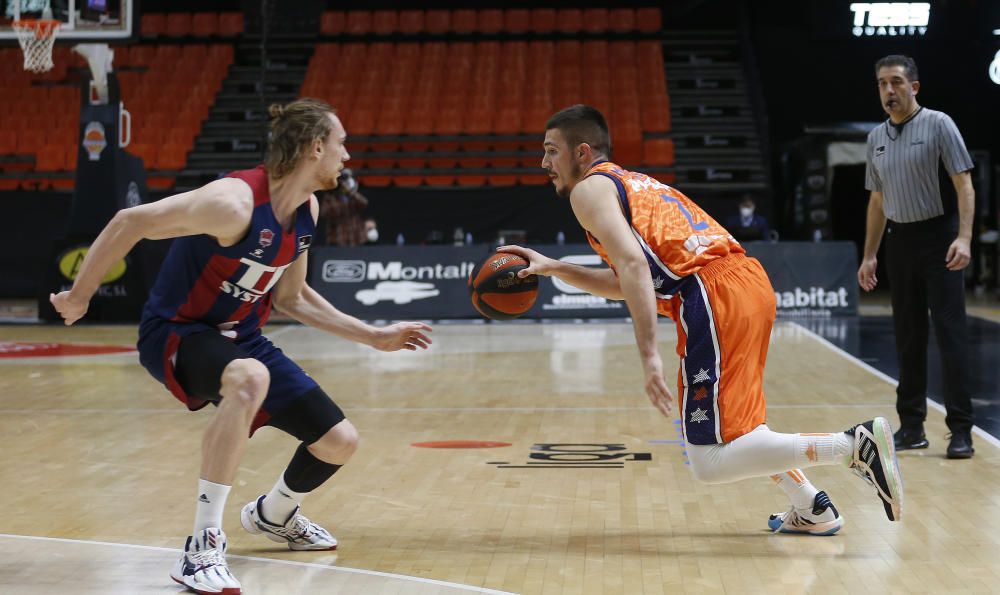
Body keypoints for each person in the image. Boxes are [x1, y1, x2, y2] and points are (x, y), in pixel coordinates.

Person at [49, 98, 433, 594]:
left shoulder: (306, 210)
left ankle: (273, 515)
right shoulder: (231, 203)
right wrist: (80, 295)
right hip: (177, 332)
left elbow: (293, 298)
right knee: (250, 377)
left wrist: (373, 335)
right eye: (341, 144)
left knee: (339, 442)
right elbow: (130, 221)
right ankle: (202, 546)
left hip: (243, 337)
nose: (347, 156)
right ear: (316, 148)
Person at [499, 104, 903, 536]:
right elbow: (629, 279)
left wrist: (649, 355)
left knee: (709, 460)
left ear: (582, 151)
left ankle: (851, 445)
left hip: (712, 295)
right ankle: (813, 507)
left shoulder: (588, 191)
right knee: (742, 430)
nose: (544, 163)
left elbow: (634, 268)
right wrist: (556, 268)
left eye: (550, 151)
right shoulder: (630, 183)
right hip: (743, 282)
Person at [857, 55, 976, 459]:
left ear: (914, 87)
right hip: (899, 242)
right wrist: (870, 255)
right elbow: (876, 201)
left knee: (950, 335)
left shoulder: (939, 124)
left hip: (940, 239)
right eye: (881, 84)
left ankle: (961, 430)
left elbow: (965, 185)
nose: (888, 91)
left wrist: (964, 237)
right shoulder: (875, 138)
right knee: (908, 338)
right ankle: (911, 427)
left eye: (895, 82)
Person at [317, 167, 368, 246]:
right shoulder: (330, 197)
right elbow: (324, 212)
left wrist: (349, 192)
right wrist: (339, 192)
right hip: (338, 239)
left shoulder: (354, 195)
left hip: (356, 238)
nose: (345, 182)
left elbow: (364, 204)